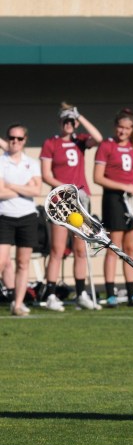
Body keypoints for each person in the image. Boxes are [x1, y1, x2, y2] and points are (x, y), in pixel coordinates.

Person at [40, 102, 103, 311]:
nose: (68, 124)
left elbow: (99, 138)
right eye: (65, 120)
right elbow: (47, 175)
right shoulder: (51, 143)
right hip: (60, 201)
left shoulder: (80, 141)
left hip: (80, 202)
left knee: (80, 249)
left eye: (71, 121)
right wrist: (67, 190)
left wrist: (80, 116)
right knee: (57, 249)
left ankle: (81, 293)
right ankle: (50, 294)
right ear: (60, 122)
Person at [94, 108, 133, 307]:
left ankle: (132, 292)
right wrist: (124, 186)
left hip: (132, 199)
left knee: (130, 247)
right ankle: (111, 293)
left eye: (127, 128)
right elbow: (98, 177)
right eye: (120, 127)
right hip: (114, 198)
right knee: (113, 246)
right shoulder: (107, 145)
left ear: (132, 129)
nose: (123, 131)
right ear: (115, 127)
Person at [0, 124, 42, 316]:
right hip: (5, 217)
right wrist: (23, 187)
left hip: (27, 216)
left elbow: (36, 190)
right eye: (11, 138)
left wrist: (11, 185)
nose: (14, 142)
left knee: (23, 263)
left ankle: (18, 304)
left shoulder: (32, 163)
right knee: (1, 262)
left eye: (18, 139)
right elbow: (0, 193)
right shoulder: (1, 161)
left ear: (25, 140)